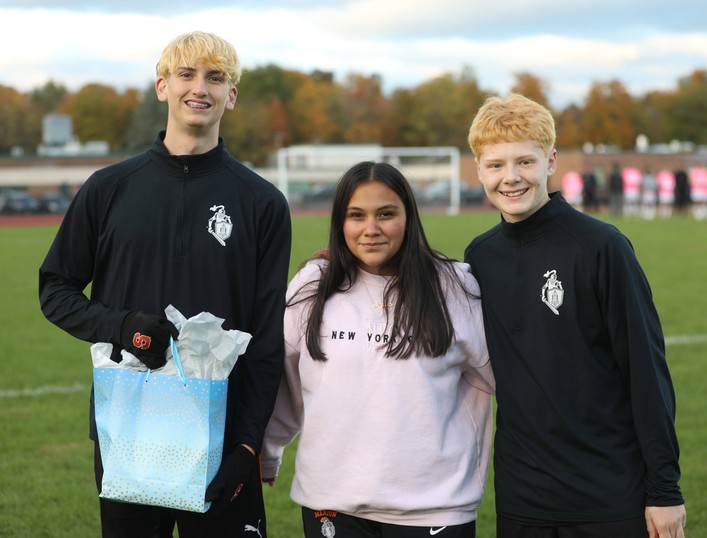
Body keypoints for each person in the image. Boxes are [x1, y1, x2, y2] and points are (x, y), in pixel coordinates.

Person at [38, 31, 292, 538]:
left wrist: (246, 445)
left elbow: (267, 341)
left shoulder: (262, 203)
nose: (200, 88)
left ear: (231, 96)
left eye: (216, 78)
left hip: (221, 436)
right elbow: (55, 290)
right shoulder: (108, 189)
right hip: (127, 428)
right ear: (162, 86)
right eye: (187, 74)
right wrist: (123, 326)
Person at [463, 93, 686, 538]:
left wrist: (664, 490)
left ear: (551, 161)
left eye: (525, 162)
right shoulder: (479, 258)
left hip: (608, 494)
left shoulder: (601, 246)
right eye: (495, 165)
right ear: (479, 171)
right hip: (522, 498)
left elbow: (646, 371)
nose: (511, 178)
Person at [262, 161, 495, 537]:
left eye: (386, 214)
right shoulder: (313, 285)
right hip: (332, 503)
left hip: (434, 507)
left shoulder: (453, 287)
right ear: (340, 222)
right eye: (357, 215)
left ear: (409, 217)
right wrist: (268, 453)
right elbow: (283, 379)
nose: (371, 229)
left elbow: (506, 380)